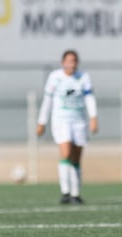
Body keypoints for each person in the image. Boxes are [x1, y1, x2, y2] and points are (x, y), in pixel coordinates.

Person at [37, 50, 98, 204]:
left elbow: (89, 98)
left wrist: (93, 118)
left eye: (74, 61)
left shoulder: (83, 77)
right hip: (61, 120)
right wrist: (42, 121)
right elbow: (47, 100)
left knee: (76, 157)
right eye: (68, 61)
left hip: (79, 122)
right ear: (63, 62)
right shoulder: (55, 77)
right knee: (66, 153)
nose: (71, 64)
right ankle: (65, 192)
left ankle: (75, 194)